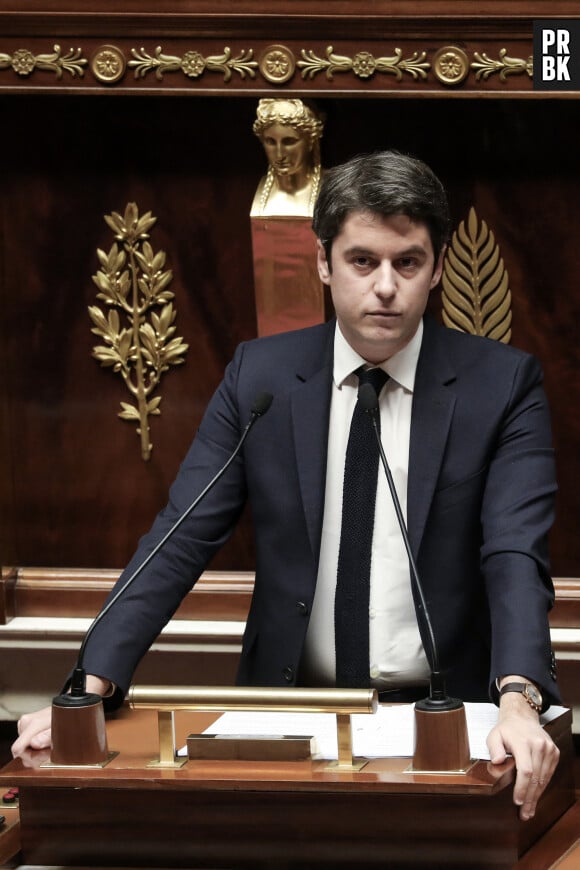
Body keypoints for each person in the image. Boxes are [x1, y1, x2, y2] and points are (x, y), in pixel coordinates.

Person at [13, 150, 561, 821]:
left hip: (450, 721)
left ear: (438, 266)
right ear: (325, 263)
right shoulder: (259, 378)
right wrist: (87, 688)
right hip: (290, 714)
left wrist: (518, 699)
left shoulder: (502, 386)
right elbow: (180, 537)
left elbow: (513, 553)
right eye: (363, 261)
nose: (385, 286)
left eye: (407, 262)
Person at [250, 98, 324, 217]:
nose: (279, 155)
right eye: (271, 142)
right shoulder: (263, 193)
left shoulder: (331, 188)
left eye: (289, 142)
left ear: (311, 141)